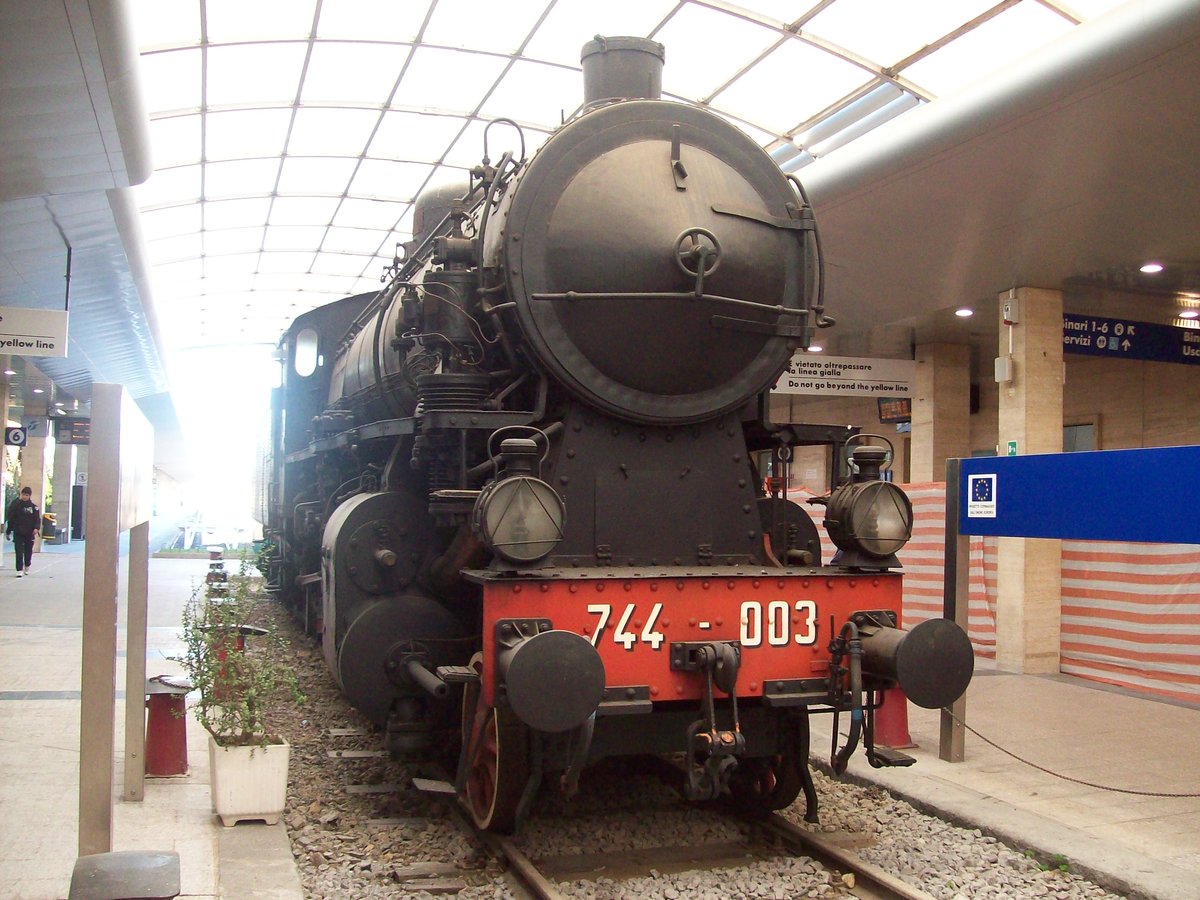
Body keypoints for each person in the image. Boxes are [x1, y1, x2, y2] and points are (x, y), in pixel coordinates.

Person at [5, 486, 40, 577]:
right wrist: (8, 531)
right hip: (18, 532)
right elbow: (11, 519)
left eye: (26, 495)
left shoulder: (34, 507)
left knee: (28, 551)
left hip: (29, 532)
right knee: (19, 551)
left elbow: (37, 519)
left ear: (29, 496)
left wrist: (36, 528)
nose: (24, 497)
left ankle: (27, 564)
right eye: (23, 494)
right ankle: (19, 569)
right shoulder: (16, 506)